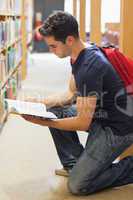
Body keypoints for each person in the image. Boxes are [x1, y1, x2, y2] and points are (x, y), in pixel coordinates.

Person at [22, 11, 133, 195]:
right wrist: (38, 104)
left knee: (78, 185)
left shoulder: (91, 66)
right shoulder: (76, 56)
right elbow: (69, 95)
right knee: (55, 111)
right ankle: (76, 165)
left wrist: (44, 122)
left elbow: (83, 122)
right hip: (100, 116)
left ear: (70, 40)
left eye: (53, 46)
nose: (51, 50)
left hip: (117, 128)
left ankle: (127, 168)